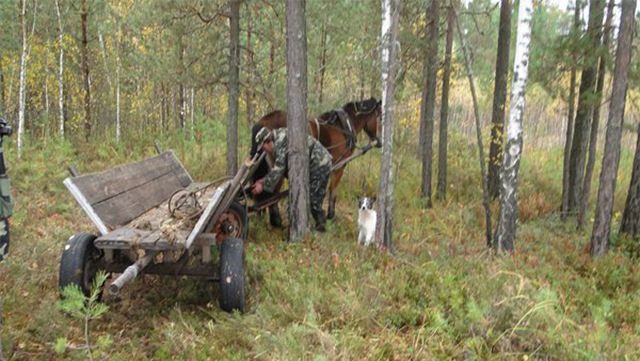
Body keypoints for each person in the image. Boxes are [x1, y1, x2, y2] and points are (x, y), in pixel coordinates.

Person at [252, 127, 332, 232]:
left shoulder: (280, 141)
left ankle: (320, 228)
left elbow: (279, 169)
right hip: (313, 164)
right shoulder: (278, 137)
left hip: (320, 163)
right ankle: (314, 225)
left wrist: (262, 185)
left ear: (267, 142)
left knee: (313, 199)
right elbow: (278, 167)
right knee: (309, 199)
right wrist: (263, 181)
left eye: (263, 148)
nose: (265, 151)